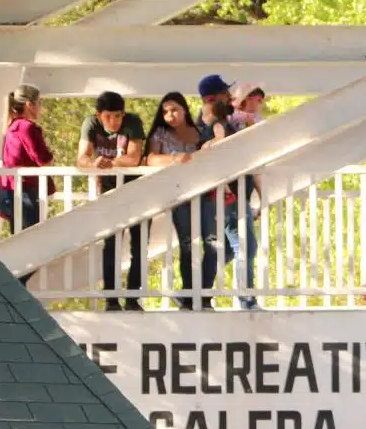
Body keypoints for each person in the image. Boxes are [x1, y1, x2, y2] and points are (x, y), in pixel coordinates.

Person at [144, 92, 216, 309]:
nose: (170, 115)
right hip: (178, 195)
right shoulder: (160, 134)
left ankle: (203, 294)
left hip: (204, 193)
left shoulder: (200, 131)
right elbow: (150, 159)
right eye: (165, 111)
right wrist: (174, 158)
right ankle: (187, 294)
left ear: (184, 109)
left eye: (174, 109)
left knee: (212, 242)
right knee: (187, 244)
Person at [76, 91, 145, 311]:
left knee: (139, 244)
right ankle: (111, 299)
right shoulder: (91, 123)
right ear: (99, 115)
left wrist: (111, 162)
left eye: (118, 116)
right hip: (109, 192)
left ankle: (133, 299)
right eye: (109, 117)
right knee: (111, 246)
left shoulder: (133, 122)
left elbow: (134, 158)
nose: (114, 121)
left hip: (136, 190)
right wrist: (94, 163)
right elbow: (81, 158)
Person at [195, 73, 258, 308]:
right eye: (225, 93)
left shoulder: (218, 121)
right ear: (213, 98)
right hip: (227, 195)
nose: (230, 97)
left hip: (232, 194)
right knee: (245, 247)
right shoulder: (214, 124)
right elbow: (215, 151)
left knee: (223, 250)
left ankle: (195, 292)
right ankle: (246, 299)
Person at [0, 84, 53, 279]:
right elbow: (43, 159)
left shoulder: (12, 127)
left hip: (13, 192)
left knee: (23, 250)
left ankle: (12, 287)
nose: (40, 108)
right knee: (35, 250)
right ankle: (10, 285)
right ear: (29, 104)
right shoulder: (26, 127)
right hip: (25, 193)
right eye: (39, 103)